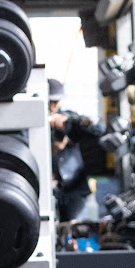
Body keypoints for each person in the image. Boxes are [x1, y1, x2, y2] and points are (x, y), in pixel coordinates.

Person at [49, 78, 106, 223]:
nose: (53, 106)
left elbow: (98, 130)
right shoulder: (35, 122)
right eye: (50, 101)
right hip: (47, 187)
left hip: (73, 188)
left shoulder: (68, 118)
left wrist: (69, 123)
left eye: (56, 101)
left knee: (73, 228)